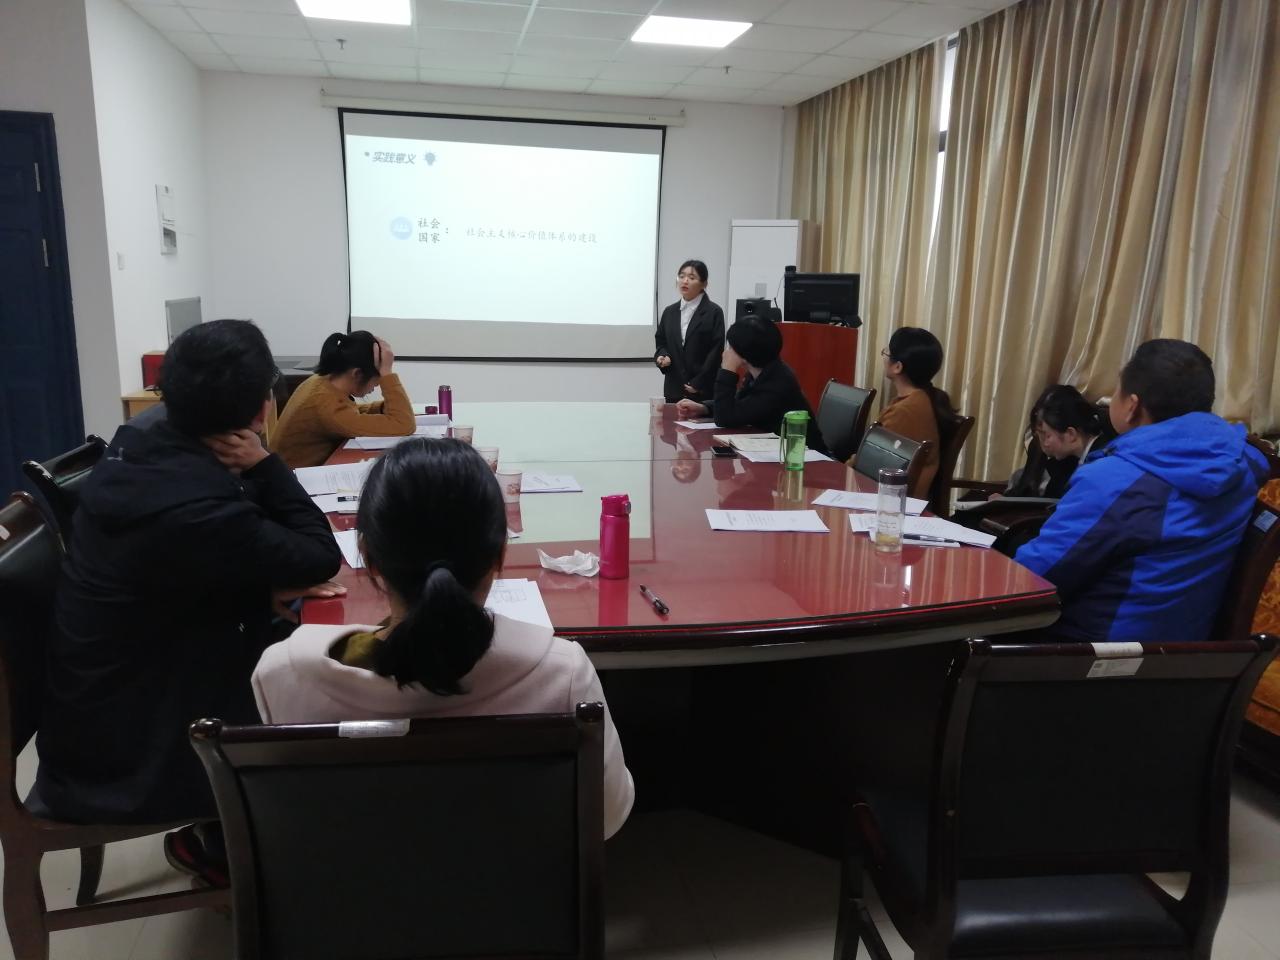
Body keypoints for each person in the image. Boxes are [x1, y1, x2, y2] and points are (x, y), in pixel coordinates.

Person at [33, 320, 344, 860]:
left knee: (300, 643)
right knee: (323, 691)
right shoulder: (194, 504)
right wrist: (268, 465)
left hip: (104, 704)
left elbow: (185, 562)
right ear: (261, 410)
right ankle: (235, 853)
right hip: (130, 751)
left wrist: (256, 582)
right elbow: (319, 555)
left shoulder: (145, 436)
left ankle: (229, 838)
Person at [252, 438, 636, 839]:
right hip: (511, 879)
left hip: (350, 879)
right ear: (499, 555)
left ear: (368, 557)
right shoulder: (562, 674)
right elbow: (605, 818)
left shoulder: (282, 672)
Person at [1016, 339, 1269, 644]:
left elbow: (1033, 578)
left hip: (1093, 653)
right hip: (1186, 654)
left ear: (1132, 406)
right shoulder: (1245, 464)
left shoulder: (1115, 481)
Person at [675, 313, 826, 453]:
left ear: (744, 353)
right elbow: (739, 405)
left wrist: (727, 370)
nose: (727, 351)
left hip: (805, 458)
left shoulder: (778, 382)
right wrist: (704, 408)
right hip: (777, 453)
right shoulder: (763, 371)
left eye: (731, 346)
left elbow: (725, 418)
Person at [272, 331, 414, 468]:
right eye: (378, 378)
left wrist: (381, 408)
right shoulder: (326, 406)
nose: (377, 385)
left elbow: (349, 413)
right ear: (357, 374)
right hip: (296, 479)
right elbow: (404, 424)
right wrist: (387, 374)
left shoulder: (323, 381)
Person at [871, 327, 954, 499]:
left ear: (897, 367)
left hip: (893, 501)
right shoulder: (921, 399)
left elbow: (870, 462)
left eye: (887, 353)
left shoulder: (905, 411)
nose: (884, 357)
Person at [1001, 385, 1117, 499]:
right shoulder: (1070, 460)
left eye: (1046, 435)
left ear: (1070, 434)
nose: (1044, 444)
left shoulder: (1102, 463)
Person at [654, 260, 726, 404]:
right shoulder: (669, 312)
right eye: (681, 276)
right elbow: (661, 341)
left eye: (692, 278)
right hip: (674, 388)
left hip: (702, 390)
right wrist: (663, 355)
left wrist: (699, 382)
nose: (685, 281)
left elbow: (716, 351)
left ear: (704, 284)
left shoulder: (714, 312)